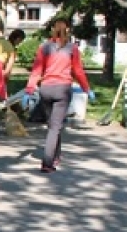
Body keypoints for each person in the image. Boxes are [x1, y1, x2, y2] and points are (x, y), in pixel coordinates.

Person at [23, 17, 95, 173]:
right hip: (62, 90)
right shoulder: (71, 48)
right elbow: (78, 71)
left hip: (46, 89)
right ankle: (47, 163)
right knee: (55, 127)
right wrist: (86, 88)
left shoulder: (44, 47)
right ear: (67, 30)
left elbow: (36, 71)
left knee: (53, 125)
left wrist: (29, 90)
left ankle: (56, 155)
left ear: (52, 30)